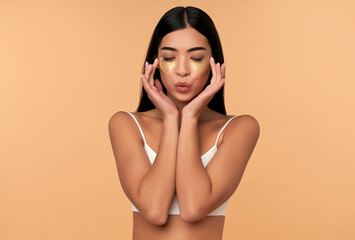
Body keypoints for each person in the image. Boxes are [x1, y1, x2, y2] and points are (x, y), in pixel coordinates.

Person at [108, 6, 260, 240]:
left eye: (196, 58)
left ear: (213, 63)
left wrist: (189, 117)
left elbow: (193, 207)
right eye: (169, 57)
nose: (181, 70)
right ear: (154, 63)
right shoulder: (126, 124)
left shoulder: (239, 129)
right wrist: (170, 118)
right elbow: (154, 210)